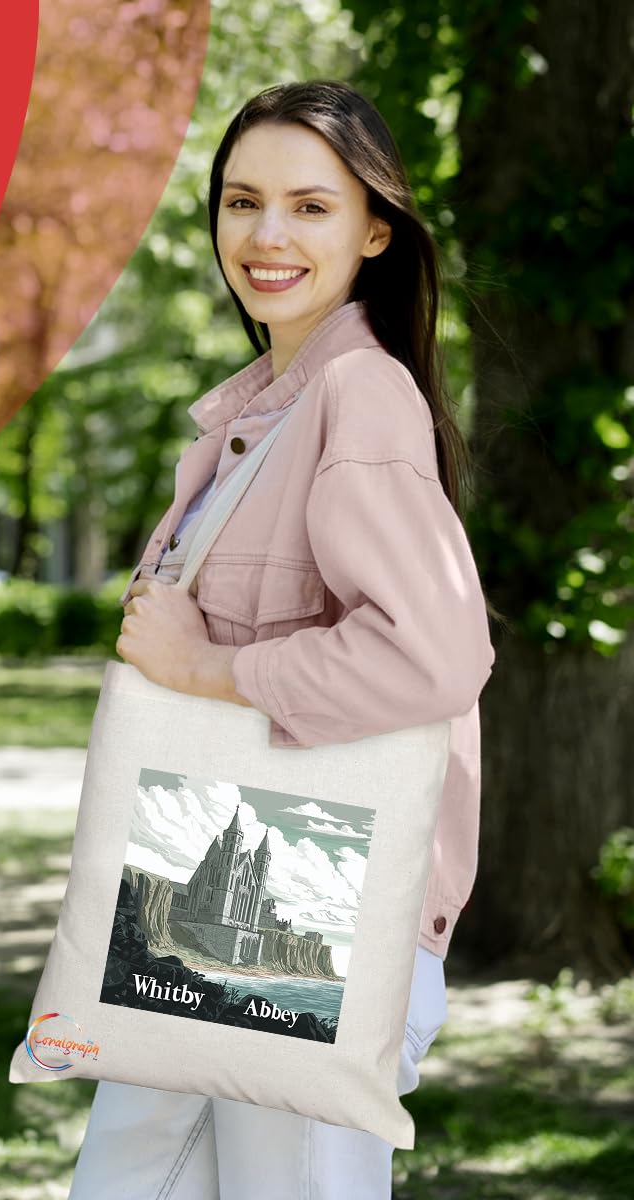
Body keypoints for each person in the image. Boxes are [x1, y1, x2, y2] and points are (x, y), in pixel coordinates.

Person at [67, 80, 495, 1200]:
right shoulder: (263, 414)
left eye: (310, 207)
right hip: (209, 919)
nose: (266, 236)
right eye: (242, 201)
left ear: (374, 231)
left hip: (322, 926)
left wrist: (206, 668)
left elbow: (433, 656)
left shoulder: (360, 396)